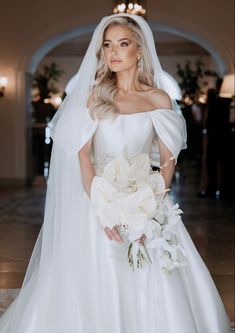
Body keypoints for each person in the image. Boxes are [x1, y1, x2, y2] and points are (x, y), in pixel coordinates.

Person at [0, 14, 232, 333]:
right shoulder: (94, 97)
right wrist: (101, 206)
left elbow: (167, 161)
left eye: (123, 44)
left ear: (139, 50)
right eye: (108, 45)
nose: (114, 52)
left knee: (153, 278)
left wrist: (147, 211)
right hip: (95, 202)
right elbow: (83, 156)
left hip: (146, 201)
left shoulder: (158, 99)